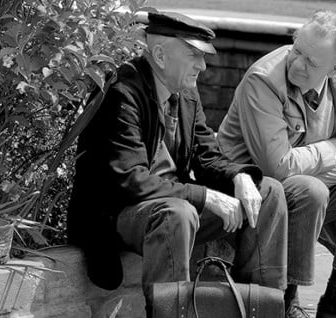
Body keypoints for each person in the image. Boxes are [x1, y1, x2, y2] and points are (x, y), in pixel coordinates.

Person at [66, 10, 289, 315]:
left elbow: (207, 155)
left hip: (171, 202)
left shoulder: (186, 92)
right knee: (178, 214)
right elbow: (132, 181)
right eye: (194, 55)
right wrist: (206, 196)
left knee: (270, 192)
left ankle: (261, 307)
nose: (204, 65)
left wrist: (239, 177)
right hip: (121, 212)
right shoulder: (122, 93)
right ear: (159, 54)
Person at [216, 10, 336, 318]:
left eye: (311, 62)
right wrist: (335, 147)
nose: (297, 64)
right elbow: (277, 168)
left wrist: (314, 164)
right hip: (253, 190)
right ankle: (285, 303)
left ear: (335, 67)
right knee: (309, 190)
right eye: (296, 50)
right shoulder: (263, 81)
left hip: (304, 184)